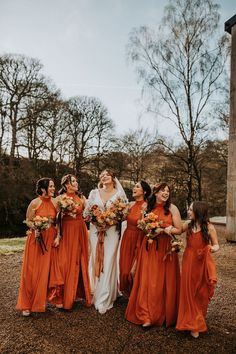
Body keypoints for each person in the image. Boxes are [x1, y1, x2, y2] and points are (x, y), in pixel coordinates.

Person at [125, 182, 182, 328]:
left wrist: (162, 230)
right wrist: (149, 228)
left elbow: (179, 229)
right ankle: (146, 315)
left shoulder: (172, 208)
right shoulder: (147, 207)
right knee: (148, 280)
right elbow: (142, 227)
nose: (166, 193)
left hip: (166, 248)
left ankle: (163, 313)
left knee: (163, 280)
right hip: (149, 246)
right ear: (155, 193)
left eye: (168, 191)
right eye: (163, 190)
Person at [16, 178, 59, 316]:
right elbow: (28, 220)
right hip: (36, 239)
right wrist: (36, 227)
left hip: (50, 239)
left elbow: (58, 222)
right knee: (31, 271)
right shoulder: (34, 203)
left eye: (53, 186)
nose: (53, 188)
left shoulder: (55, 202)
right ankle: (26, 304)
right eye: (51, 186)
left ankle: (40, 301)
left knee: (45, 271)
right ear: (42, 189)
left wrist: (58, 237)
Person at [86, 169, 127, 314]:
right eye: (102, 175)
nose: (104, 177)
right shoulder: (93, 193)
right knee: (96, 258)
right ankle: (96, 289)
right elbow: (87, 213)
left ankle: (104, 297)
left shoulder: (119, 194)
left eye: (107, 175)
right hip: (96, 231)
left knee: (108, 260)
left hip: (111, 232)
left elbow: (123, 214)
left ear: (113, 177)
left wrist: (109, 222)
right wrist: (96, 221)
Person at [176, 201, 219, 338]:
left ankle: (196, 318)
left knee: (198, 290)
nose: (188, 212)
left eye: (190, 209)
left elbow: (216, 245)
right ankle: (192, 323)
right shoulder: (188, 225)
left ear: (198, 211)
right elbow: (177, 231)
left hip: (201, 262)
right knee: (188, 290)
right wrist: (162, 228)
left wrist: (211, 249)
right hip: (189, 260)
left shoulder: (210, 228)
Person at [48, 174, 91, 310]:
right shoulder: (59, 199)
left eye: (76, 181)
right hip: (66, 233)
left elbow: (88, 215)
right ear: (66, 184)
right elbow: (55, 219)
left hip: (80, 231)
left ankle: (75, 294)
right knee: (64, 262)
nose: (76, 183)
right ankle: (61, 295)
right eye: (73, 181)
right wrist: (58, 235)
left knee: (79, 261)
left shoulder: (82, 198)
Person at [119, 180, 151, 297]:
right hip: (127, 238)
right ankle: (128, 293)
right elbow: (121, 219)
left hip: (139, 239)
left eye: (137, 187)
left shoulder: (147, 206)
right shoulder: (131, 204)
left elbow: (147, 227)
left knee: (133, 271)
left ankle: (136, 296)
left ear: (144, 191)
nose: (134, 188)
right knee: (124, 269)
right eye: (134, 186)